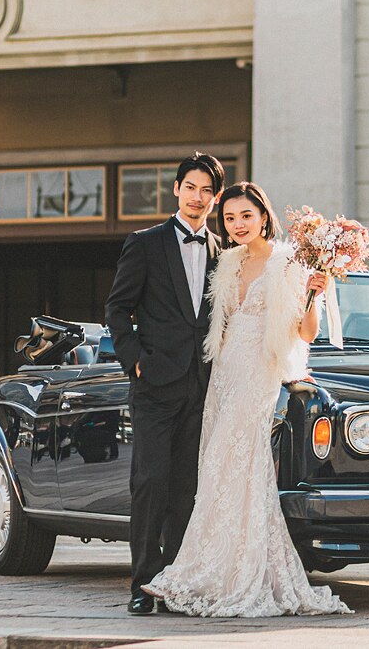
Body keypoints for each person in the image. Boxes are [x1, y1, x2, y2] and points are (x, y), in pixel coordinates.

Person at [142, 181, 352, 617]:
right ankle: (207, 568)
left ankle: (240, 574)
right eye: (231, 218)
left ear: (263, 217)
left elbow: (307, 332)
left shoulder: (287, 261)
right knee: (215, 468)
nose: (237, 225)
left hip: (260, 371)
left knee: (239, 462)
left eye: (246, 216)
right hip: (223, 371)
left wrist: (316, 290)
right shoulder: (227, 262)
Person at [105, 151, 226, 615]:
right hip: (154, 385)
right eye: (191, 188)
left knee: (185, 490)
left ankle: (172, 583)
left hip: (202, 387)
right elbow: (117, 308)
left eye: (207, 191)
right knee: (150, 483)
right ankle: (141, 583)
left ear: (214, 199)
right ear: (176, 189)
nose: (198, 198)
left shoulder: (224, 252)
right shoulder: (145, 243)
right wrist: (134, 360)